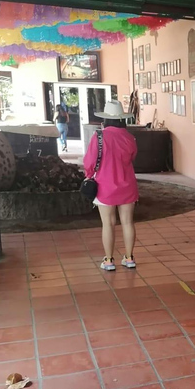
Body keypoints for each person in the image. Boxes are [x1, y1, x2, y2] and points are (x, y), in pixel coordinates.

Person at [83, 100, 139, 271]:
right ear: (122, 119)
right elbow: (132, 158)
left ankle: (108, 261)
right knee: (128, 222)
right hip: (127, 184)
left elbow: (89, 162)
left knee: (108, 223)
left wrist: (88, 175)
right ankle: (129, 258)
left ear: (105, 119)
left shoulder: (98, 136)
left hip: (104, 186)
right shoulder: (130, 137)